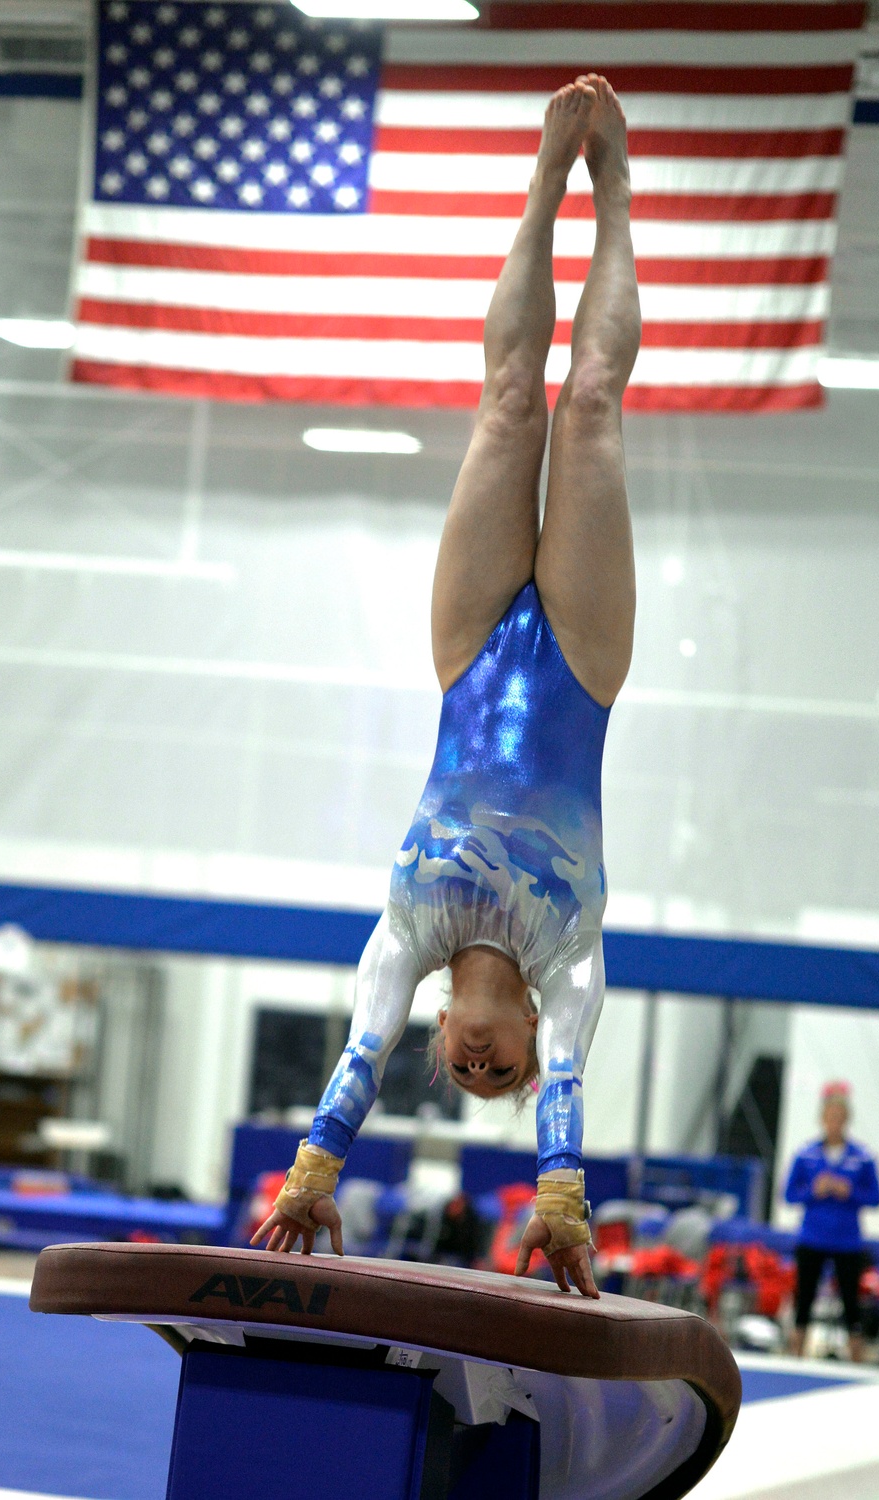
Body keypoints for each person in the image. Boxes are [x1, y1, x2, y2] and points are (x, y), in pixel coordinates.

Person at [251, 75, 640, 1300]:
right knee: (583, 413)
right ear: (526, 1038)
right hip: (582, 667)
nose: (479, 1061)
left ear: (440, 1036)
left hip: (467, 655)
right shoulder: (569, 961)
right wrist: (560, 1203)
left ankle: (540, 182)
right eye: (501, 1072)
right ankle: (607, 182)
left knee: (505, 404)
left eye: (457, 1071)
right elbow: (569, 1106)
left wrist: (312, 1176)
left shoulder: (403, 939)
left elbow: (355, 1057)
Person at [784, 1082, 879, 1360]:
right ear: (823, 1118)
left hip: (847, 1240)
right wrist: (813, 1191)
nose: (835, 1122)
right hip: (812, 1237)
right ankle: (796, 1352)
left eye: (840, 1117)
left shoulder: (862, 1157)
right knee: (803, 1298)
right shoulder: (806, 1155)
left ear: (846, 1120)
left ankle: (856, 1355)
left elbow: (876, 1198)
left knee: (851, 1302)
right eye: (830, 1116)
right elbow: (790, 1194)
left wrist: (849, 1192)